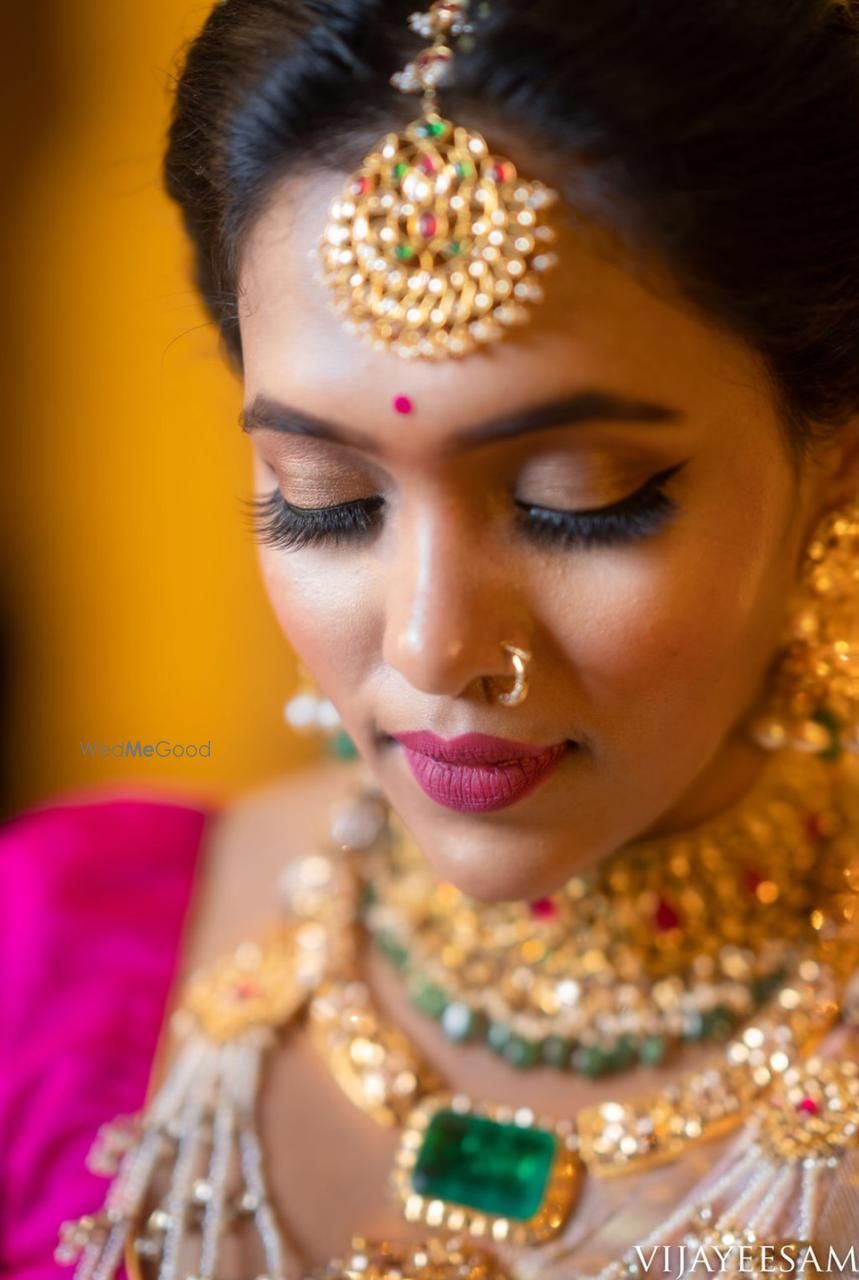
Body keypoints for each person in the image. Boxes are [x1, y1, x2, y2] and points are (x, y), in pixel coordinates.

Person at [2, 1, 859, 1277]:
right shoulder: (50, 965)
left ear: (833, 463)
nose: (430, 641)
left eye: (579, 499)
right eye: (323, 497)